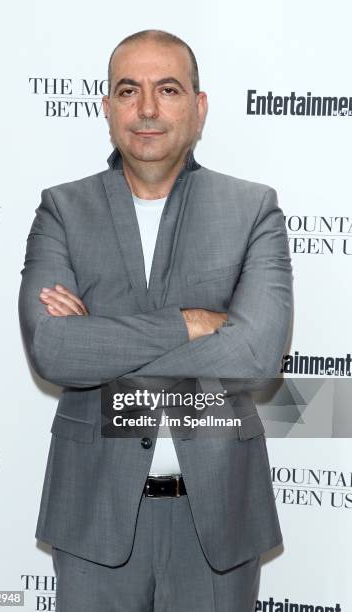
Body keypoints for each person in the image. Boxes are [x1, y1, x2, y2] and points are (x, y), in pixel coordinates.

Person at [18, 29, 293, 612]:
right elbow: (54, 351)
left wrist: (102, 340)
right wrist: (193, 323)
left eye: (167, 89)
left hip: (218, 522)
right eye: (128, 90)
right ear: (107, 108)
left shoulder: (253, 208)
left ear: (198, 108)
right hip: (93, 517)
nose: (146, 108)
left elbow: (257, 354)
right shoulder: (62, 209)